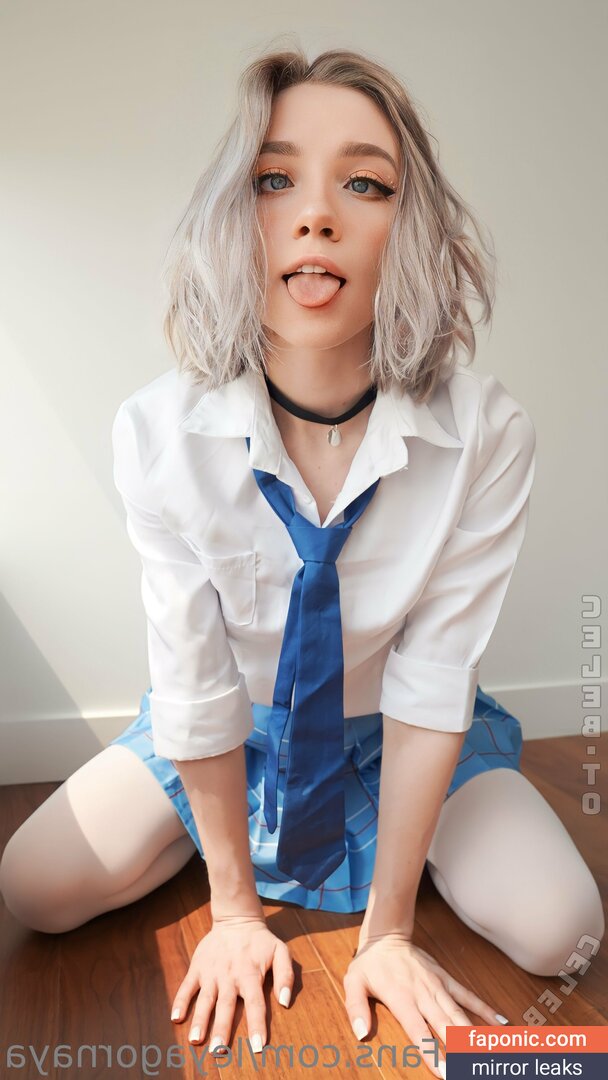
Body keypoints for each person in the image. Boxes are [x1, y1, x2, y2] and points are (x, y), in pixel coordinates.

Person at [0, 43, 603, 1076]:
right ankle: (233, 838)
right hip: (238, 729)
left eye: (364, 185)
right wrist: (235, 913)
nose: (316, 215)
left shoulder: (488, 433)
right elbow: (194, 679)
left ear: (409, 230)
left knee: (564, 930)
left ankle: (378, 858)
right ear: (232, 220)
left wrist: (387, 933)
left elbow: (432, 676)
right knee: (35, 887)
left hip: (401, 734)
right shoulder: (157, 431)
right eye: (274, 180)